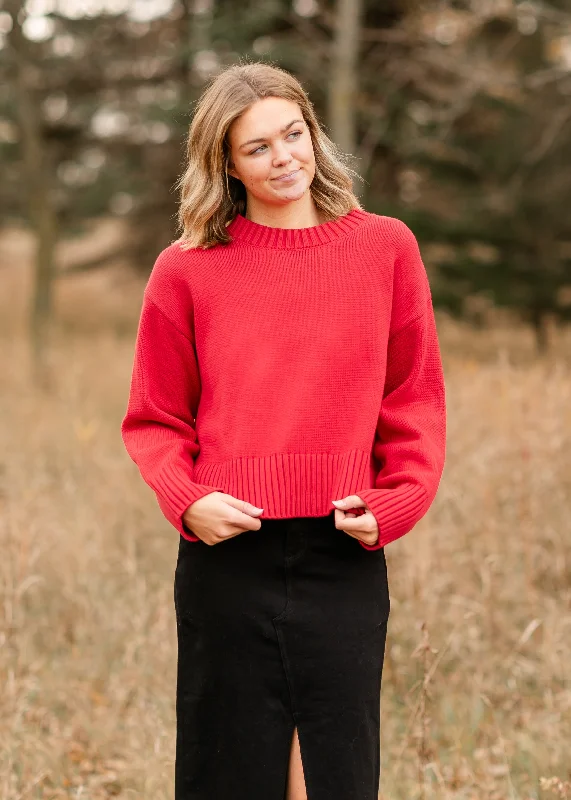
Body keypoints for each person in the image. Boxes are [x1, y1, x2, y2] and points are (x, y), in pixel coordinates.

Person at [121, 60, 446, 800]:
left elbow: (415, 399)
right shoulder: (187, 270)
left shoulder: (385, 248)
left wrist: (396, 502)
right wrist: (186, 500)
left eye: (292, 135)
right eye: (256, 148)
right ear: (227, 166)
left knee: (332, 773)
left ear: (313, 133)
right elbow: (154, 417)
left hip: (343, 548)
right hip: (227, 553)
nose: (283, 158)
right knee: (229, 770)